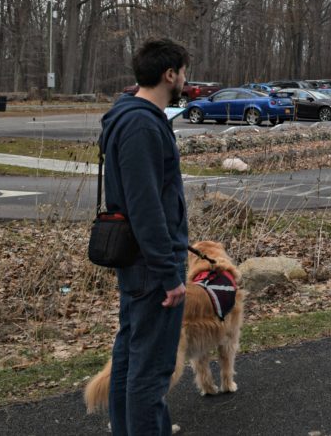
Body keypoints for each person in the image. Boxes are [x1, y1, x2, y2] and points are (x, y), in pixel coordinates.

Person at [99, 38, 190, 436]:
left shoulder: (133, 116)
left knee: (130, 358)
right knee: (150, 369)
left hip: (140, 263)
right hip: (150, 266)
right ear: (169, 74)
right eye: (183, 71)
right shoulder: (139, 124)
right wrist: (169, 273)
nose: (186, 79)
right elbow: (145, 207)